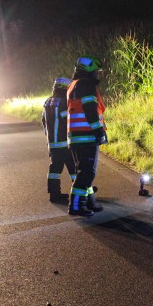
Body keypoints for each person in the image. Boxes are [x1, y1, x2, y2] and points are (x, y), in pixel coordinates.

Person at [66, 55, 107, 216]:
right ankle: (76, 206)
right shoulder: (86, 85)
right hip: (86, 136)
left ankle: (89, 202)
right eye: (95, 71)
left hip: (76, 137)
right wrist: (99, 131)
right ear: (89, 72)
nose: (97, 74)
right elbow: (90, 109)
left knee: (84, 171)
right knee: (87, 172)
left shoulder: (74, 85)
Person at [42, 77, 76, 203]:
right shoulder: (64, 102)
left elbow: (44, 122)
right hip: (64, 142)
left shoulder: (47, 102)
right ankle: (80, 191)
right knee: (74, 167)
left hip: (52, 143)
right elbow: (68, 121)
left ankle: (54, 194)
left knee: (55, 169)